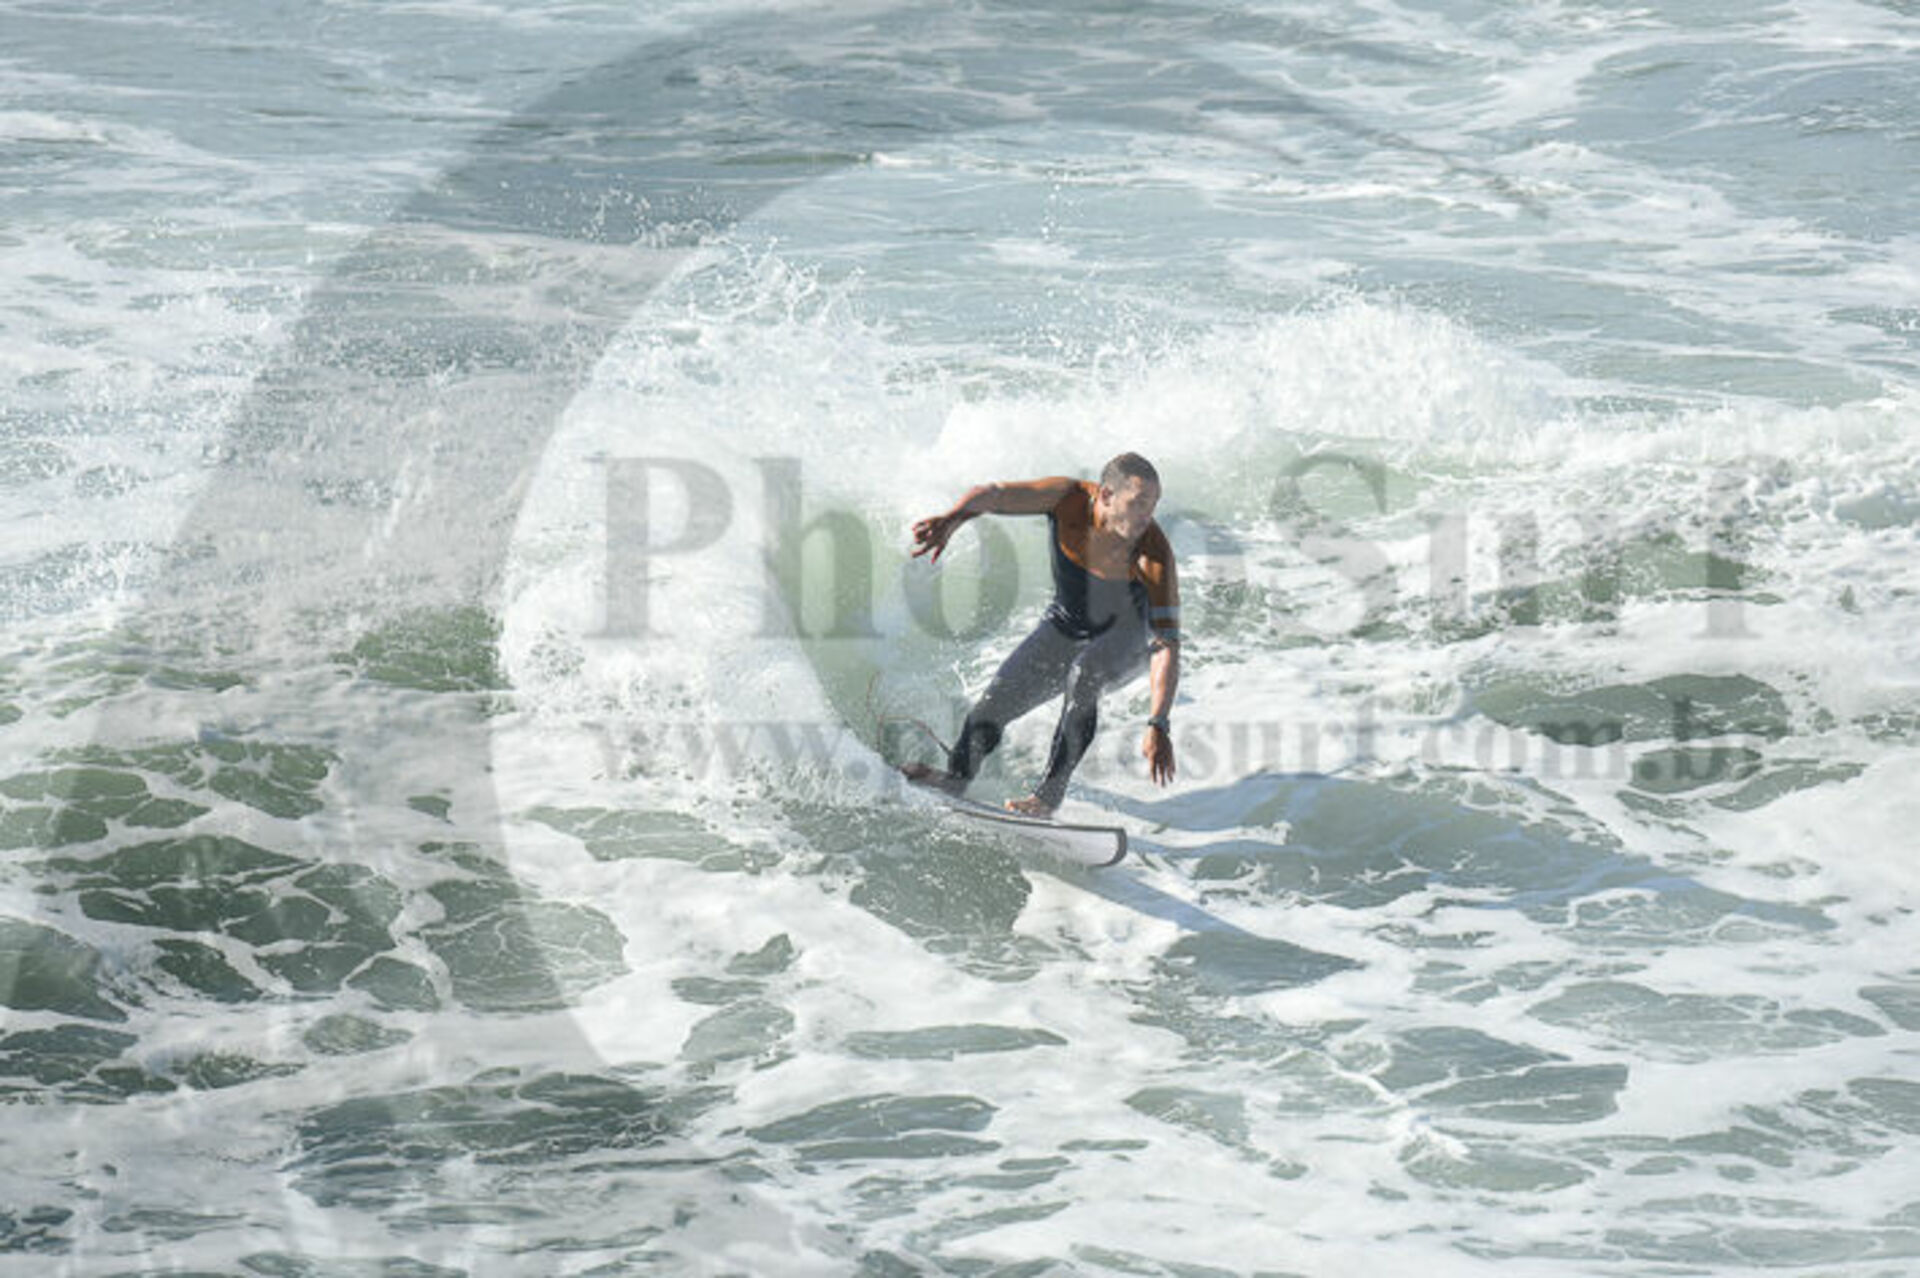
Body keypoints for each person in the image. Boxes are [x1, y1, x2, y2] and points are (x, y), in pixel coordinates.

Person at [902, 452, 1181, 816]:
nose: (1147, 516)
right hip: (1065, 624)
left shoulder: (1153, 552)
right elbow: (993, 494)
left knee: (1085, 675)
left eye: (1153, 505)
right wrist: (952, 520)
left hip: (1124, 637)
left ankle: (1046, 799)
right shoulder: (1067, 501)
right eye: (1138, 503)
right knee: (993, 704)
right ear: (1106, 495)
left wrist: (1159, 723)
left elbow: (1166, 644)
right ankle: (955, 779)